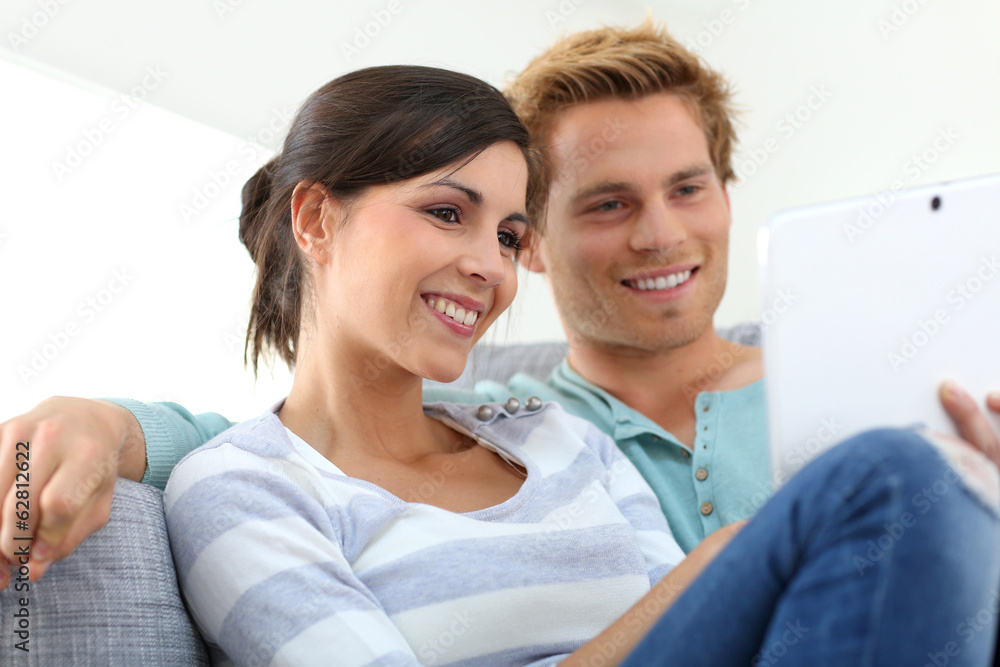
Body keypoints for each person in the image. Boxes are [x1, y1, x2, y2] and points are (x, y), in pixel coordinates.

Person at [1, 18, 999, 579]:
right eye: (606, 203)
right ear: (537, 239)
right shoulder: (510, 426)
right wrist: (104, 421)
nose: (659, 232)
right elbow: (302, 434)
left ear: (727, 197)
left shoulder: (896, 373)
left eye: (686, 188)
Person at [140, 62, 1000, 665]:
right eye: (448, 212)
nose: (490, 264)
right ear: (318, 220)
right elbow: (688, 610)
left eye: (510, 235)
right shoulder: (239, 486)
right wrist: (728, 559)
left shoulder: (551, 434)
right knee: (885, 472)